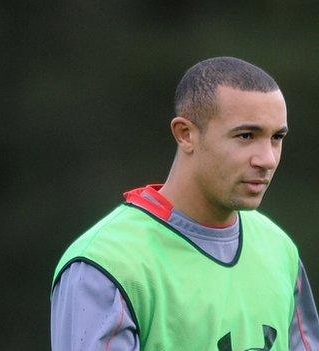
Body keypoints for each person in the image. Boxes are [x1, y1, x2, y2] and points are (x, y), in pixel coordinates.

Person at [51, 57, 319, 350]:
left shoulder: (279, 247)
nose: (267, 159)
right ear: (185, 134)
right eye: (246, 135)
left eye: (276, 137)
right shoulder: (106, 264)